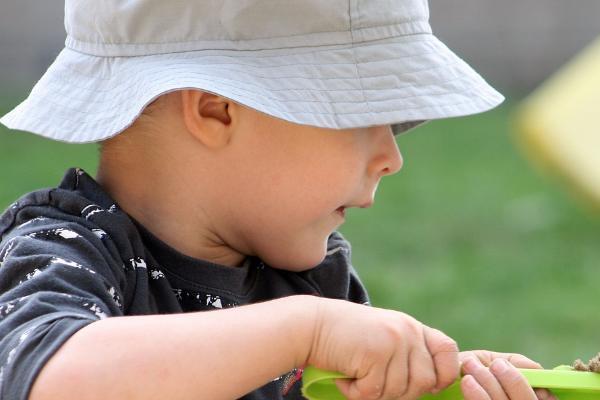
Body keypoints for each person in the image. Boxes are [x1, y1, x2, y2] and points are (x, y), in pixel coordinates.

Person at [0, 1, 555, 400]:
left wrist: (431, 385)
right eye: (365, 116)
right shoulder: (66, 248)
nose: (392, 156)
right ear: (217, 109)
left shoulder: (309, 280)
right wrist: (304, 331)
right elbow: (51, 380)